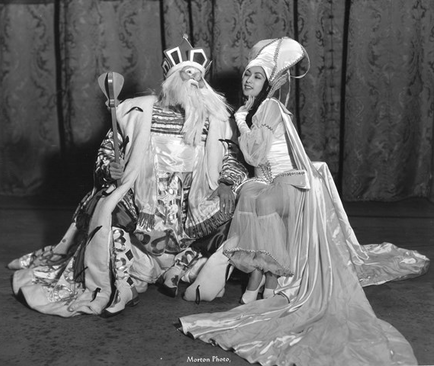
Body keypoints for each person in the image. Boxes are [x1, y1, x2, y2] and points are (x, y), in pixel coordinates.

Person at [179, 37, 429, 365]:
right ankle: (262, 285)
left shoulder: (265, 108)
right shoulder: (262, 108)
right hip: (271, 181)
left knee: (258, 201)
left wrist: (240, 120)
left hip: (287, 185)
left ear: (266, 81)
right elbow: (253, 161)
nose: (247, 80)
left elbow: (255, 153)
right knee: (252, 196)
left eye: (255, 76)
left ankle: (260, 286)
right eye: (246, 76)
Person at [7, 35, 248, 318]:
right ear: (171, 79)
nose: (191, 83)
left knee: (238, 207)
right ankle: (120, 282)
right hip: (143, 197)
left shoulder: (215, 120)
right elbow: (110, 150)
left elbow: (230, 157)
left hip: (190, 201)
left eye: (197, 78)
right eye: (185, 77)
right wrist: (109, 169)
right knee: (110, 209)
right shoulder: (137, 111)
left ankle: (185, 266)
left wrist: (226, 182)